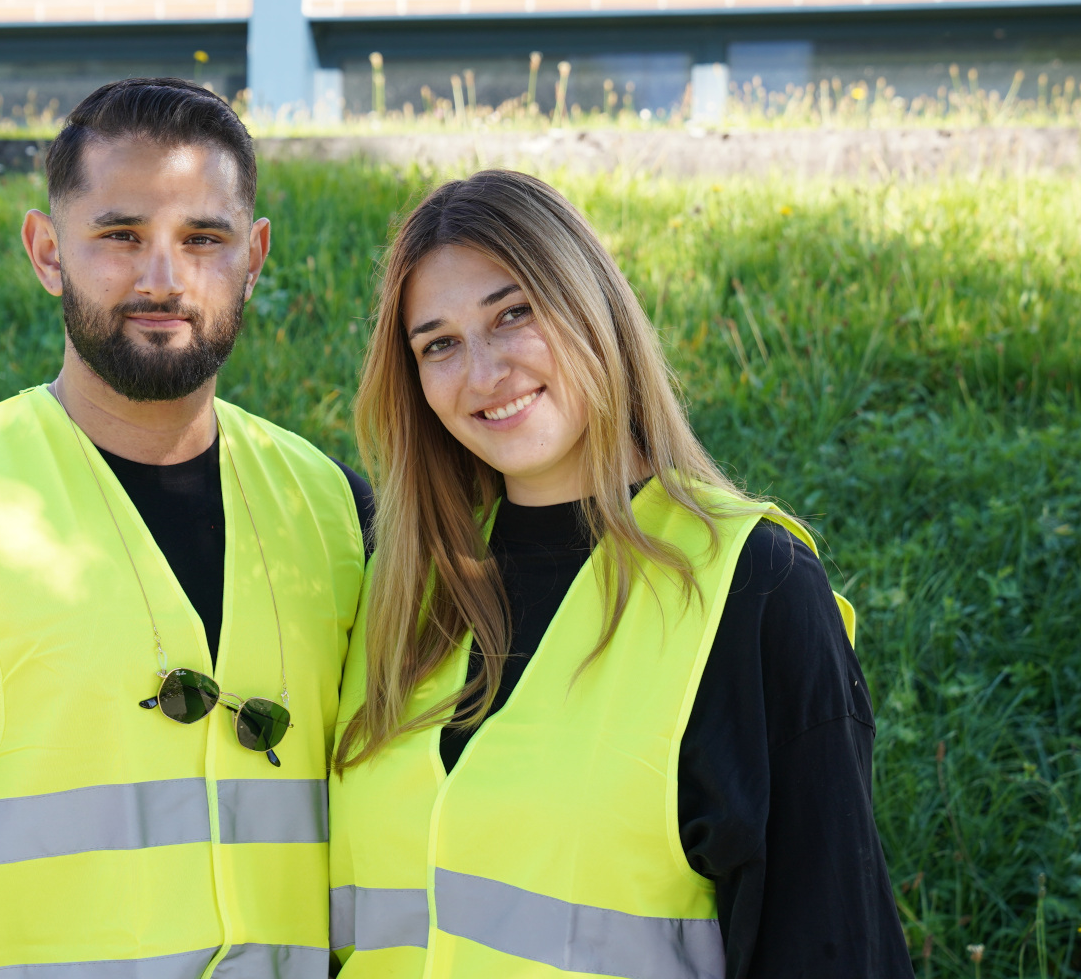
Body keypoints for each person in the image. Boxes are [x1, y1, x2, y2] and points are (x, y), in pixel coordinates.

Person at [0, 78, 373, 979]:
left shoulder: (339, 511)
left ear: (253, 256)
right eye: (121, 235)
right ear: (47, 250)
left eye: (203, 239)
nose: (163, 278)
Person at [328, 170, 912, 979]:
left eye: (514, 314)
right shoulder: (404, 590)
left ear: (589, 306)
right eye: (439, 345)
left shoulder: (752, 588)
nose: (484, 372)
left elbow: (832, 945)